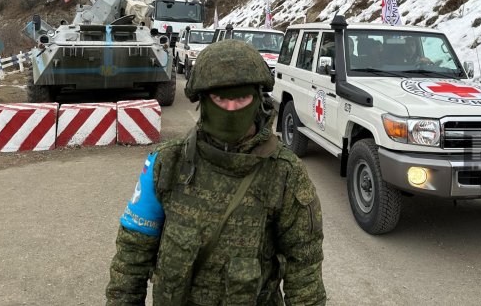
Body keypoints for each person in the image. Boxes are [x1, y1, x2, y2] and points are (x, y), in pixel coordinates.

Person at [105, 39, 326, 306]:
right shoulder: (167, 162)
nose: (231, 110)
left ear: (259, 101)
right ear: (202, 100)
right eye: (221, 98)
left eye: (242, 98)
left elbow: (304, 271)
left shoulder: (285, 173)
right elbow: (132, 255)